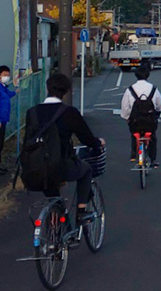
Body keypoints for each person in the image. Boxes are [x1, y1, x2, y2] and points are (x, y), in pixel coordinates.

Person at [24, 73, 105, 223]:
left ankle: (57, 221)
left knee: (53, 193)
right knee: (86, 170)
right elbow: (86, 138)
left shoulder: (32, 112)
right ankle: (81, 212)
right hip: (60, 165)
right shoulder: (69, 113)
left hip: (35, 168)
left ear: (47, 88)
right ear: (67, 91)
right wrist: (98, 143)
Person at [120, 65, 161, 167]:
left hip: (135, 122)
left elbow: (125, 107)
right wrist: (157, 114)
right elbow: (160, 103)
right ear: (147, 75)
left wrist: (127, 118)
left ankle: (133, 154)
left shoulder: (130, 90)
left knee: (134, 133)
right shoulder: (153, 88)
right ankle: (153, 160)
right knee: (153, 137)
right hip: (149, 122)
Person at [0, 65, 19, 175]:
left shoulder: (2, 87)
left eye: (7, 75)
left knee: (0, 144)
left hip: (3, 119)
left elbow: (6, 95)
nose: (6, 77)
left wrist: (15, 92)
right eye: (4, 75)